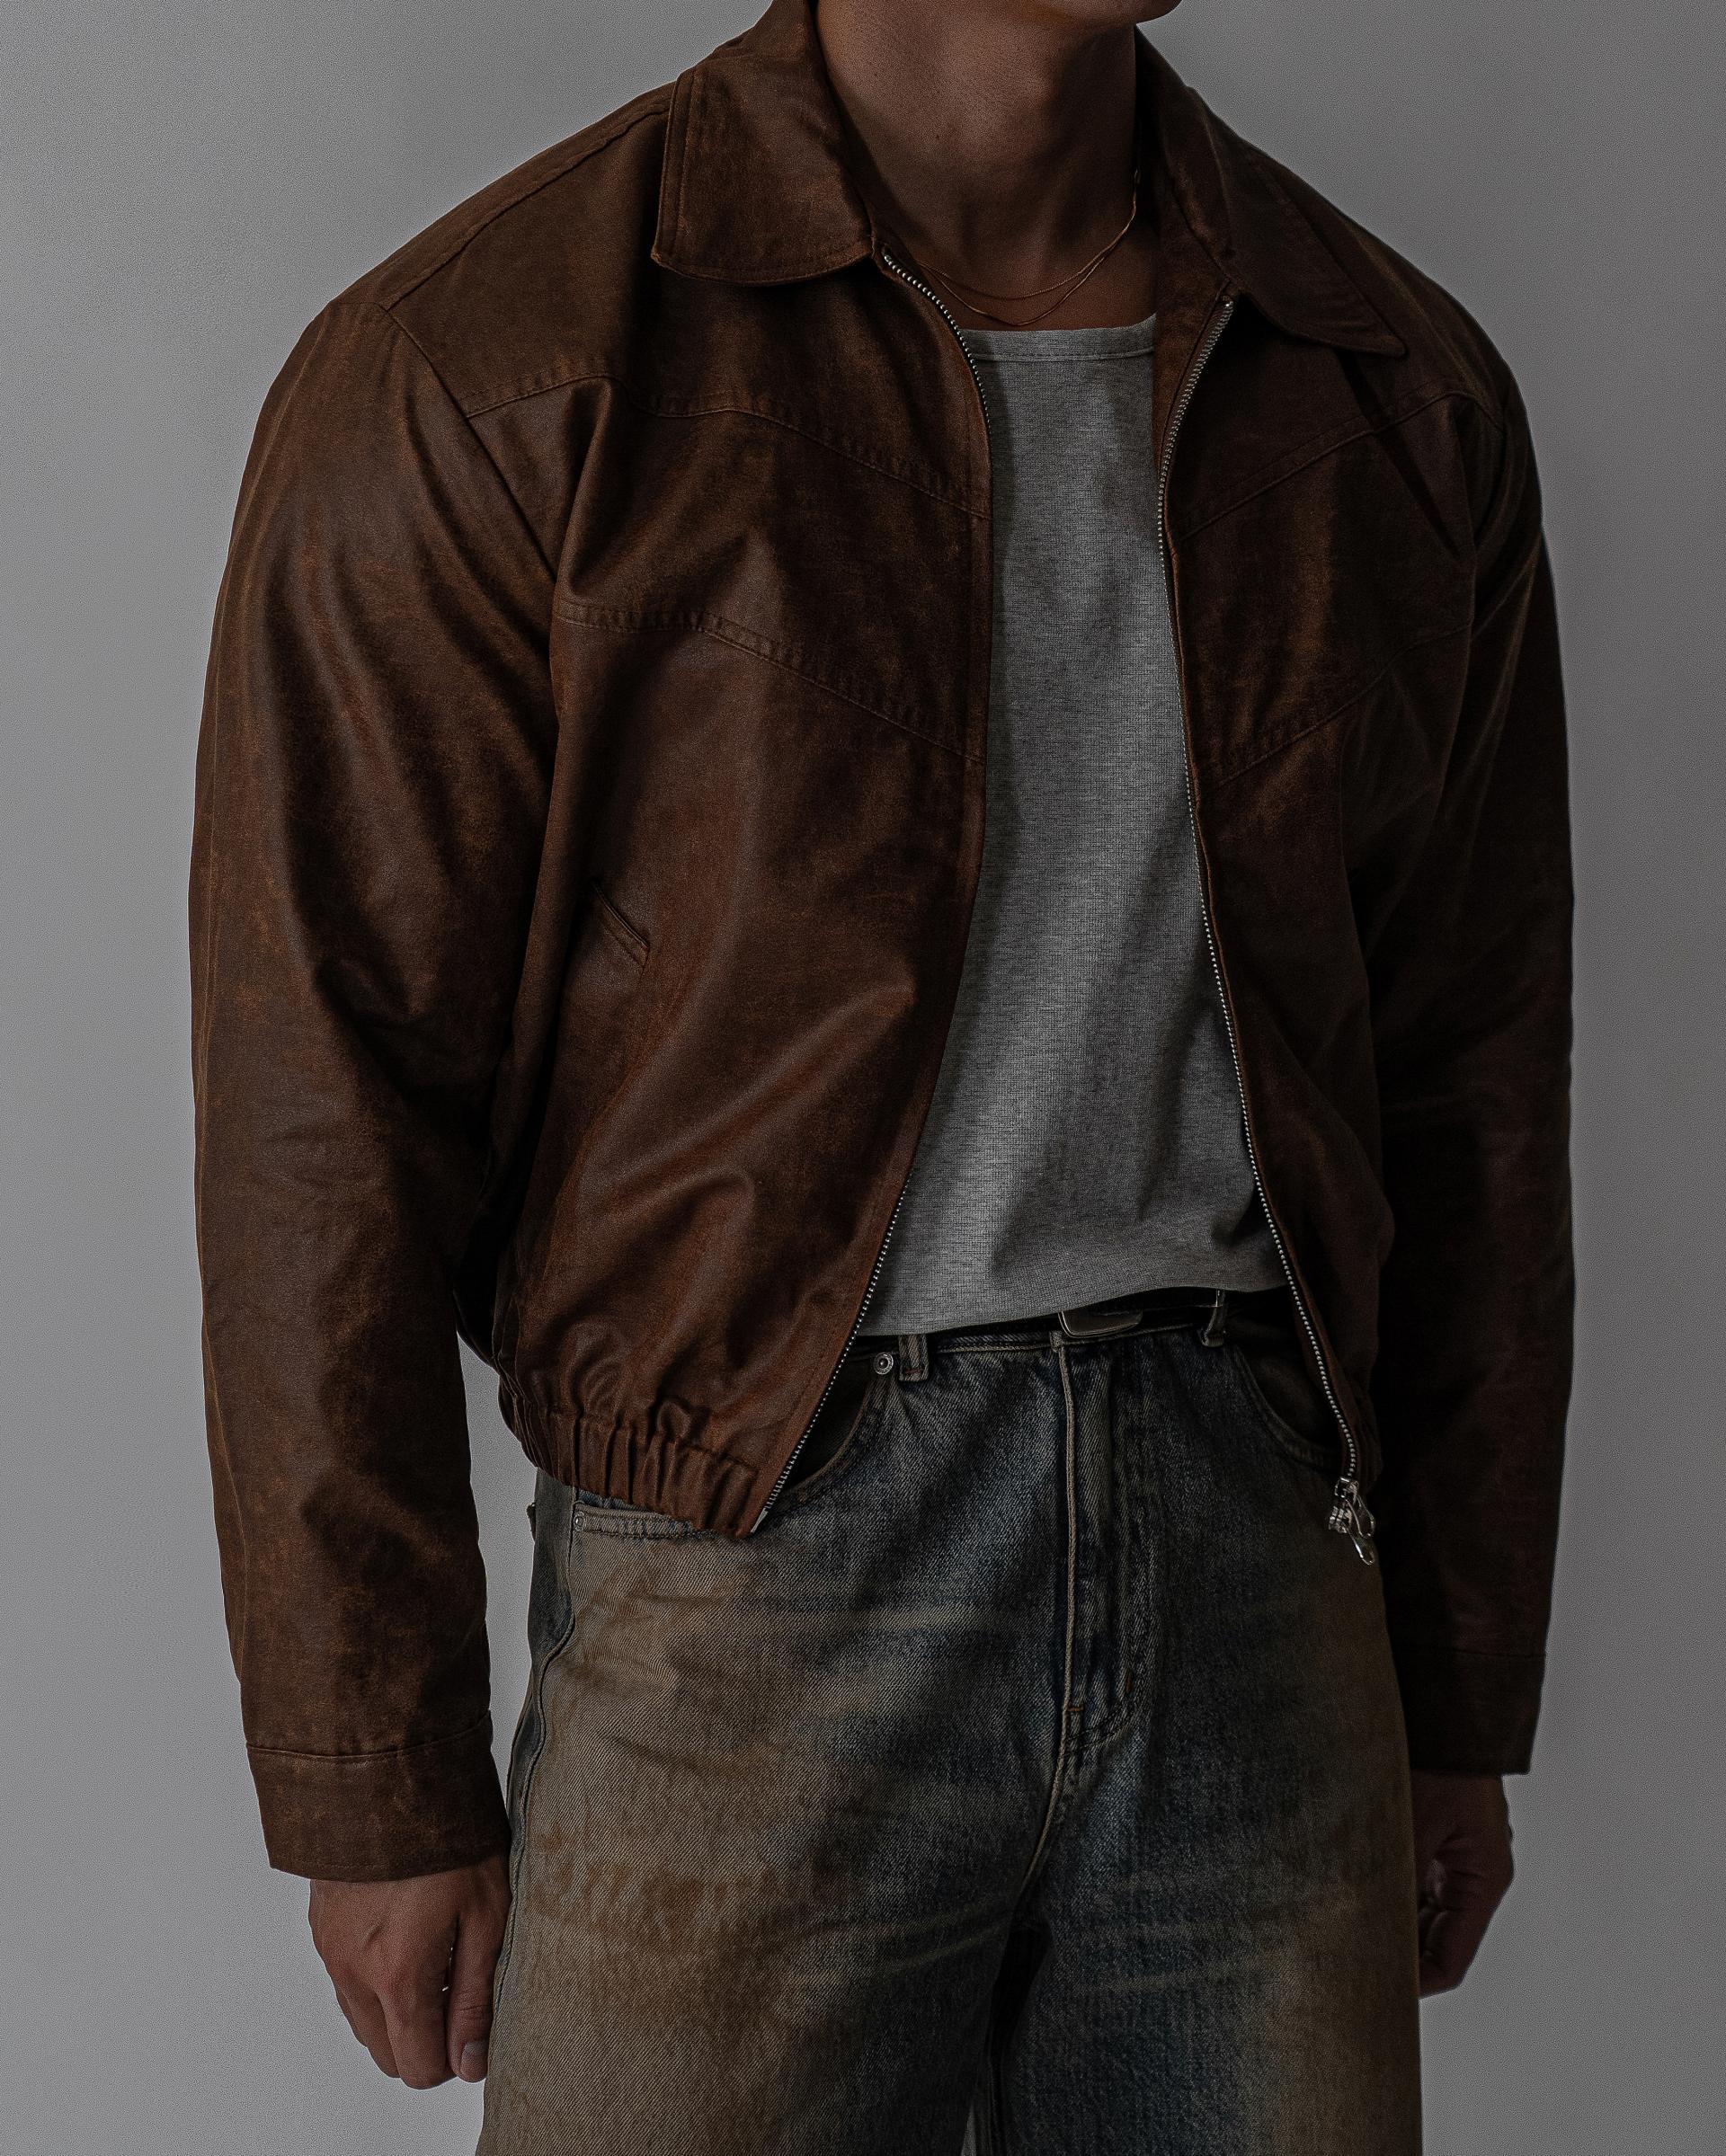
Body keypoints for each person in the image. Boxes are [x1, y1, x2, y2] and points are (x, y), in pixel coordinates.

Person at [188, 0, 1575, 2147]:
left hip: (1258, 1562)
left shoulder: (1387, 375)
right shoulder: (498, 357)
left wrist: (1458, 1687)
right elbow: (324, 1099)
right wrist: (374, 1772)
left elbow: (1473, 1073)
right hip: (748, 1574)